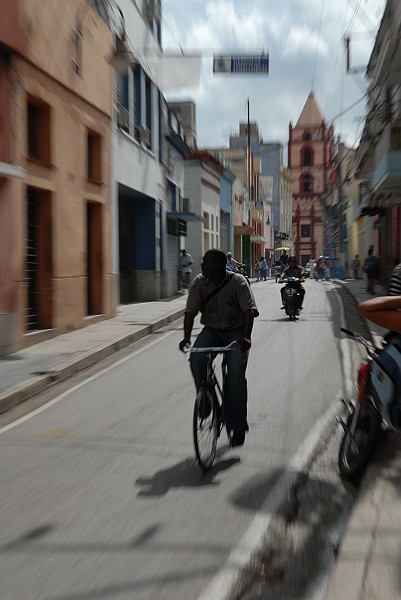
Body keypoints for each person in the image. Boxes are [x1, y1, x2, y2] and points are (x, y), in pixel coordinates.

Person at [179, 249, 258, 447]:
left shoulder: (238, 282)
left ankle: (238, 426)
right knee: (196, 358)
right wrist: (186, 338)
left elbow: (248, 311)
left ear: (217, 266)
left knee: (235, 377)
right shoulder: (199, 282)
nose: (202, 265)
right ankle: (206, 398)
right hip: (211, 330)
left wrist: (246, 337)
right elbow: (190, 312)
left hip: (235, 332)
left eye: (205, 262)